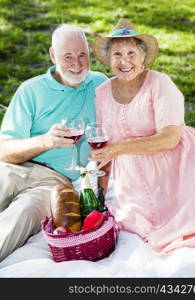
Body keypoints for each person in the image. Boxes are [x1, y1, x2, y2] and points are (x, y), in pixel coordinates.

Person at [91, 18, 195, 255]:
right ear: (109, 59)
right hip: (134, 182)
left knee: (194, 219)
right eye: (117, 54)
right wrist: (99, 200)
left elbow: (170, 138)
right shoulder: (102, 93)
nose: (124, 61)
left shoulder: (160, 83)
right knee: (142, 226)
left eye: (131, 53)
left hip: (179, 170)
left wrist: (118, 148)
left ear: (143, 56)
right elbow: (104, 149)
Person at [0, 24, 107, 261]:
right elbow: (3, 150)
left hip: (55, 181)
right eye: (68, 56)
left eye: (83, 55)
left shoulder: (101, 85)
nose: (77, 64)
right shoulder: (31, 90)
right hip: (15, 167)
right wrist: (46, 141)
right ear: (52, 55)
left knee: (22, 215)